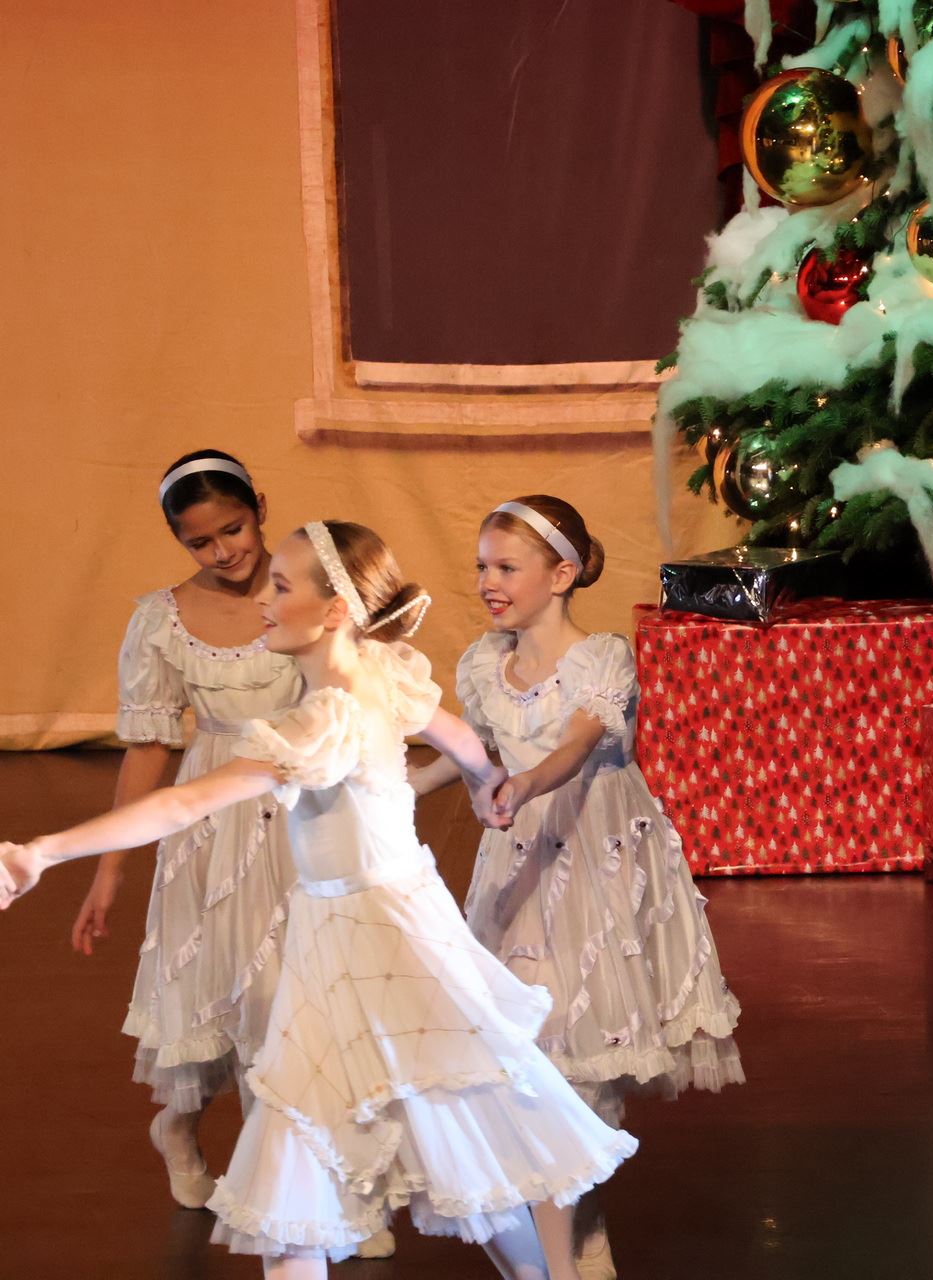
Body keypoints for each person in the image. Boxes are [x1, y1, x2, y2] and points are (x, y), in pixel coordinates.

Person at [2, 520, 635, 1279]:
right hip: (358, 932)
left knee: (448, 1138)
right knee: (362, 1159)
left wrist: (42, 851)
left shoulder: (329, 720)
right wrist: (482, 782)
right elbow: (455, 733)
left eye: (280, 586)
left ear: (335, 611)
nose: (263, 602)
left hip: (382, 942)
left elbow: (185, 802)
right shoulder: (378, 671)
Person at [413, 495, 743, 1279]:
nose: (489, 582)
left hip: (595, 865)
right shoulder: (483, 665)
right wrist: (401, 788)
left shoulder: (602, 658)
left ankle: (575, 1226)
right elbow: (475, 749)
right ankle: (571, 1227)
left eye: (507, 567)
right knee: (531, 1052)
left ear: (561, 575)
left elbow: (574, 745)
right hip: (518, 871)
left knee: (580, 1049)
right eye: (482, 567)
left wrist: (526, 783)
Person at [68, 452, 309, 1219]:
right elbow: (147, 749)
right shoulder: (162, 620)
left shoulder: (308, 589)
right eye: (199, 542)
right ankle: (178, 1124)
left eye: (233, 529)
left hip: (304, 808)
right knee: (214, 991)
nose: (223, 551)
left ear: (259, 507)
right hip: (213, 824)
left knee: (295, 993)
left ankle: (297, 1184)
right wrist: (109, 870)